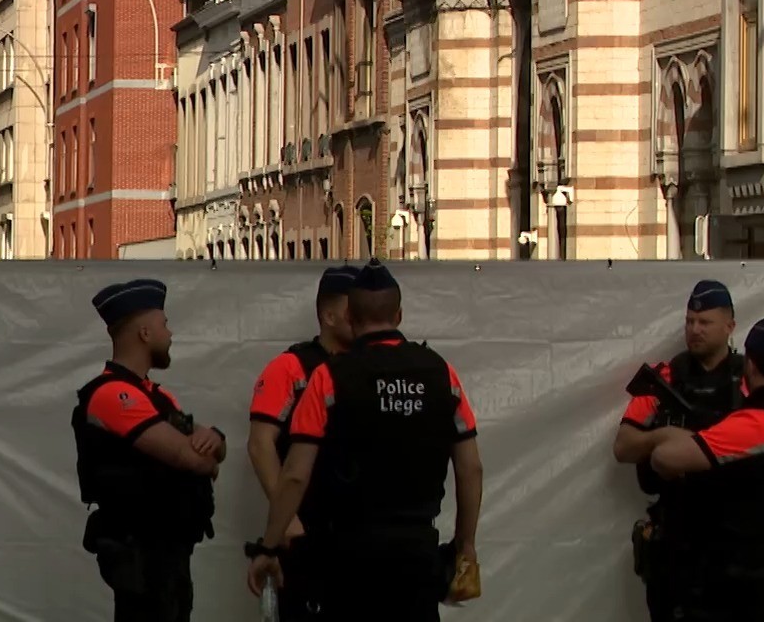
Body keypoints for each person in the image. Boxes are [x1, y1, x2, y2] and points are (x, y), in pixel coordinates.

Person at [244, 262, 483, 622]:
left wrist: (269, 544)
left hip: (344, 557)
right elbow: (471, 468)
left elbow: (295, 474)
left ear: (351, 317)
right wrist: (465, 545)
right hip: (416, 553)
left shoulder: (329, 378)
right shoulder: (439, 371)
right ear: (399, 314)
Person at [645, 318, 764, 622]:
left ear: (749, 364)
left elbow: (663, 458)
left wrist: (666, 435)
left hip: (739, 590)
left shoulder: (761, 424)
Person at [71, 278, 228, 622]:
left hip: (167, 552)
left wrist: (216, 439)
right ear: (144, 333)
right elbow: (190, 457)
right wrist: (207, 459)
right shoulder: (114, 395)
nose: (170, 334)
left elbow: (210, 449)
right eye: (164, 324)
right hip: (140, 553)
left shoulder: (156, 396)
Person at [612, 279, 746, 620]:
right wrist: (664, 437)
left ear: (730, 326)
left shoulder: (749, 380)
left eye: (704, 322)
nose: (695, 330)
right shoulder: (664, 378)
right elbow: (624, 446)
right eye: (689, 322)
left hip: (734, 544)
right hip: (676, 544)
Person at [245, 265, 360, 618]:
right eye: (354, 309)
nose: (364, 317)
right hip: (309, 529)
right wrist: (288, 518)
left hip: (363, 532)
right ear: (329, 315)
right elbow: (260, 444)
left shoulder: (372, 367)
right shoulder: (290, 367)